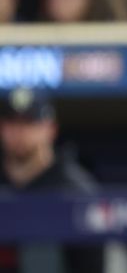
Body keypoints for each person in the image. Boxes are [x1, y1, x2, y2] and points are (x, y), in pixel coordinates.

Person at [0, 87, 104, 273]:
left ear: (50, 129)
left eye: (29, 123)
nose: (20, 132)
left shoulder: (74, 188)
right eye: (12, 123)